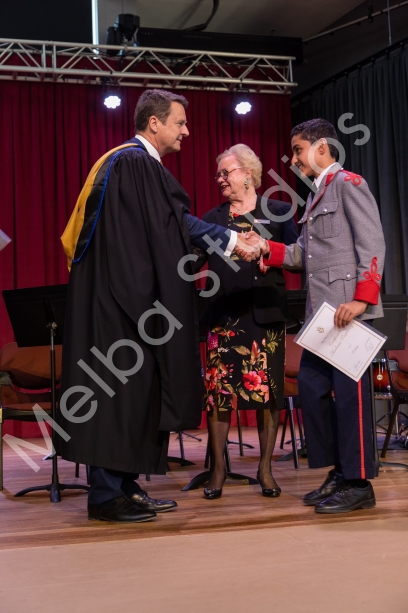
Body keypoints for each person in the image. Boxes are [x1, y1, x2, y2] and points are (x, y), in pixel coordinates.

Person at [56, 89, 262, 523]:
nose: (186, 131)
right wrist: (229, 239)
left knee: (137, 396)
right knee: (119, 397)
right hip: (120, 306)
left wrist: (220, 242)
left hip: (124, 300)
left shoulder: (125, 164)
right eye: (179, 123)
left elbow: (165, 228)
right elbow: (173, 224)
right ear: (154, 123)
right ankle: (106, 496)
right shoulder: (134, 163)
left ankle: (125, 487)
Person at [243, 118, 386, 514]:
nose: (293, 159)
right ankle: (340, 471)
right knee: (311, 387)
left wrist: (362, 299)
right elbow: (303, 254)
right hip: (322, 317)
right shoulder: (316, 195)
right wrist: (266, 249)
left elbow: (373, 243)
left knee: (351, 401)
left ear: (322, 147)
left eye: (298, 150)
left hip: (348, 312)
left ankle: (359, 482)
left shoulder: (348, 184)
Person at [194, 144, 298, 499]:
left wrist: (269, 251)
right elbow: (193, 260)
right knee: (218, 396)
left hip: (265, 314)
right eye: (218, 174)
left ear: (249, 175)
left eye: (227, 172)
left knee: (269, 393)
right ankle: (218, 471)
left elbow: (299, 257)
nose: (220, 179)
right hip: (223, 316)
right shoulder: (211, 218)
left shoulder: (278, 211)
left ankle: (265, 469)